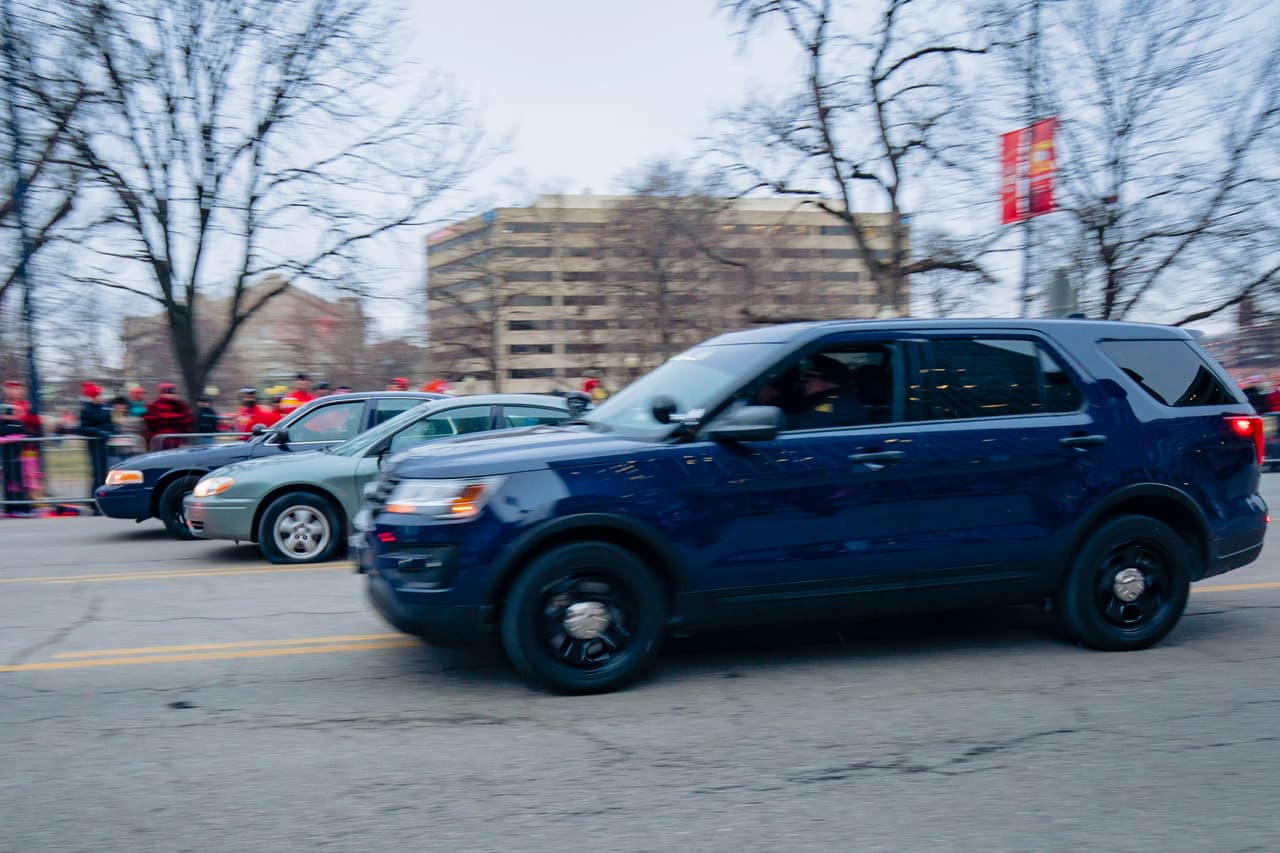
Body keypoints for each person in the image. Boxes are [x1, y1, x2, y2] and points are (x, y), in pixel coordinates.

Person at [786, 354, 867, 430]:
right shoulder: (832, 398)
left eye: (810, 378)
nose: (805, 383)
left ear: (826, 381)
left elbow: (806, 426)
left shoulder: (837, 404)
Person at [1, 379, 35, 515]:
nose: (15, 391)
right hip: (9, 451)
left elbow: (28, 426)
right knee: (12, 479)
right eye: (11, 388)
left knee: (26, 478)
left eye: (18, 388)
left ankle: (26, 503)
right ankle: (13, 505)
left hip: (25, 449)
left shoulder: (25, 406)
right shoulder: (4, 406)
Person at [78, 382, 113, 496]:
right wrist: (99, 432)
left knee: (104, 472)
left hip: (104, 444)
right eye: (97, 395)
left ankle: (103, 496)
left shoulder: (104, 408)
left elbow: (109, 423)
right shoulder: (86, 410)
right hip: (94, 445)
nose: (100, 397)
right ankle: (94, 500)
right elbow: (82, 428)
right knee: (97, 473)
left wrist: (109, 430)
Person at [142, 383, 195, 450]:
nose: (171, 395)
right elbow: (150, 424)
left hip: (176, 442)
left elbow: (187, 424)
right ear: (161, 394)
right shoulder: (155, 406)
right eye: (168, 393)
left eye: (172, 393)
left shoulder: (181, 406)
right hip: (160, 443)